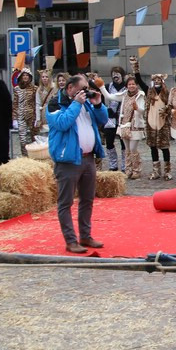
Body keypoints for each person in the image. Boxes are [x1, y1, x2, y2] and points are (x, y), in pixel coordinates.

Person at [46, 74, 108, 254]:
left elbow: (103, 120)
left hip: (88, 158)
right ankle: (71, 240)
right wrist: (76, 104)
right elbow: (62, 123)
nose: (84, 93)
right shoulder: (55, 104)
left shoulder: (85, 103)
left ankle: (85, 235)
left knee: (87, 200)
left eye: (86, 90)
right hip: (68, 160)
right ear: (70, 88)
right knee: (65, 203)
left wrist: (97, 104)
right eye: (82, 89)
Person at [117, 75, 146, 179]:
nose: (131, 86)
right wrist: (101, 87)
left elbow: (143, 110)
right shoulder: (124, 95)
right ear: (126, 86)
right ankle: (128, 169)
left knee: (133, 148)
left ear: (137, 85)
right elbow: (110, 97)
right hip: (125, 124)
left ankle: (136, 169)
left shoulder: (140, 95)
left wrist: (137, 108)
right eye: (129, 84)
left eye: (133, 84)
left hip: (135, 125)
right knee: (127, 149)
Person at [101, 66, 127, 171]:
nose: (115, 76)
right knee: (110, 142)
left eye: (117, 73)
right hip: (110, 118)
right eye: (113, 74)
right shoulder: (108, 87)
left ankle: (125, 165)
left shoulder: (127, 87)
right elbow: (101, 100)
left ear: (122, 75)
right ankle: (113, 164)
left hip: (123, 118)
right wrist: (105, 110)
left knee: (123, 142)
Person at [11, 69, 38, 157]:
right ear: (21, 77)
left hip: (32, 116)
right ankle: (25, 157)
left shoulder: (34, 88)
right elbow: (15, 103)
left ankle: (34, 156)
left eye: (27, 75)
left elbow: (36, 103)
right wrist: (14, 118)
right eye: (24, 75)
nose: (25, 77)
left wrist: (37, 117)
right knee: (22, 139)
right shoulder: (16, 89)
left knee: (33, 137)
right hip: (20, 115)